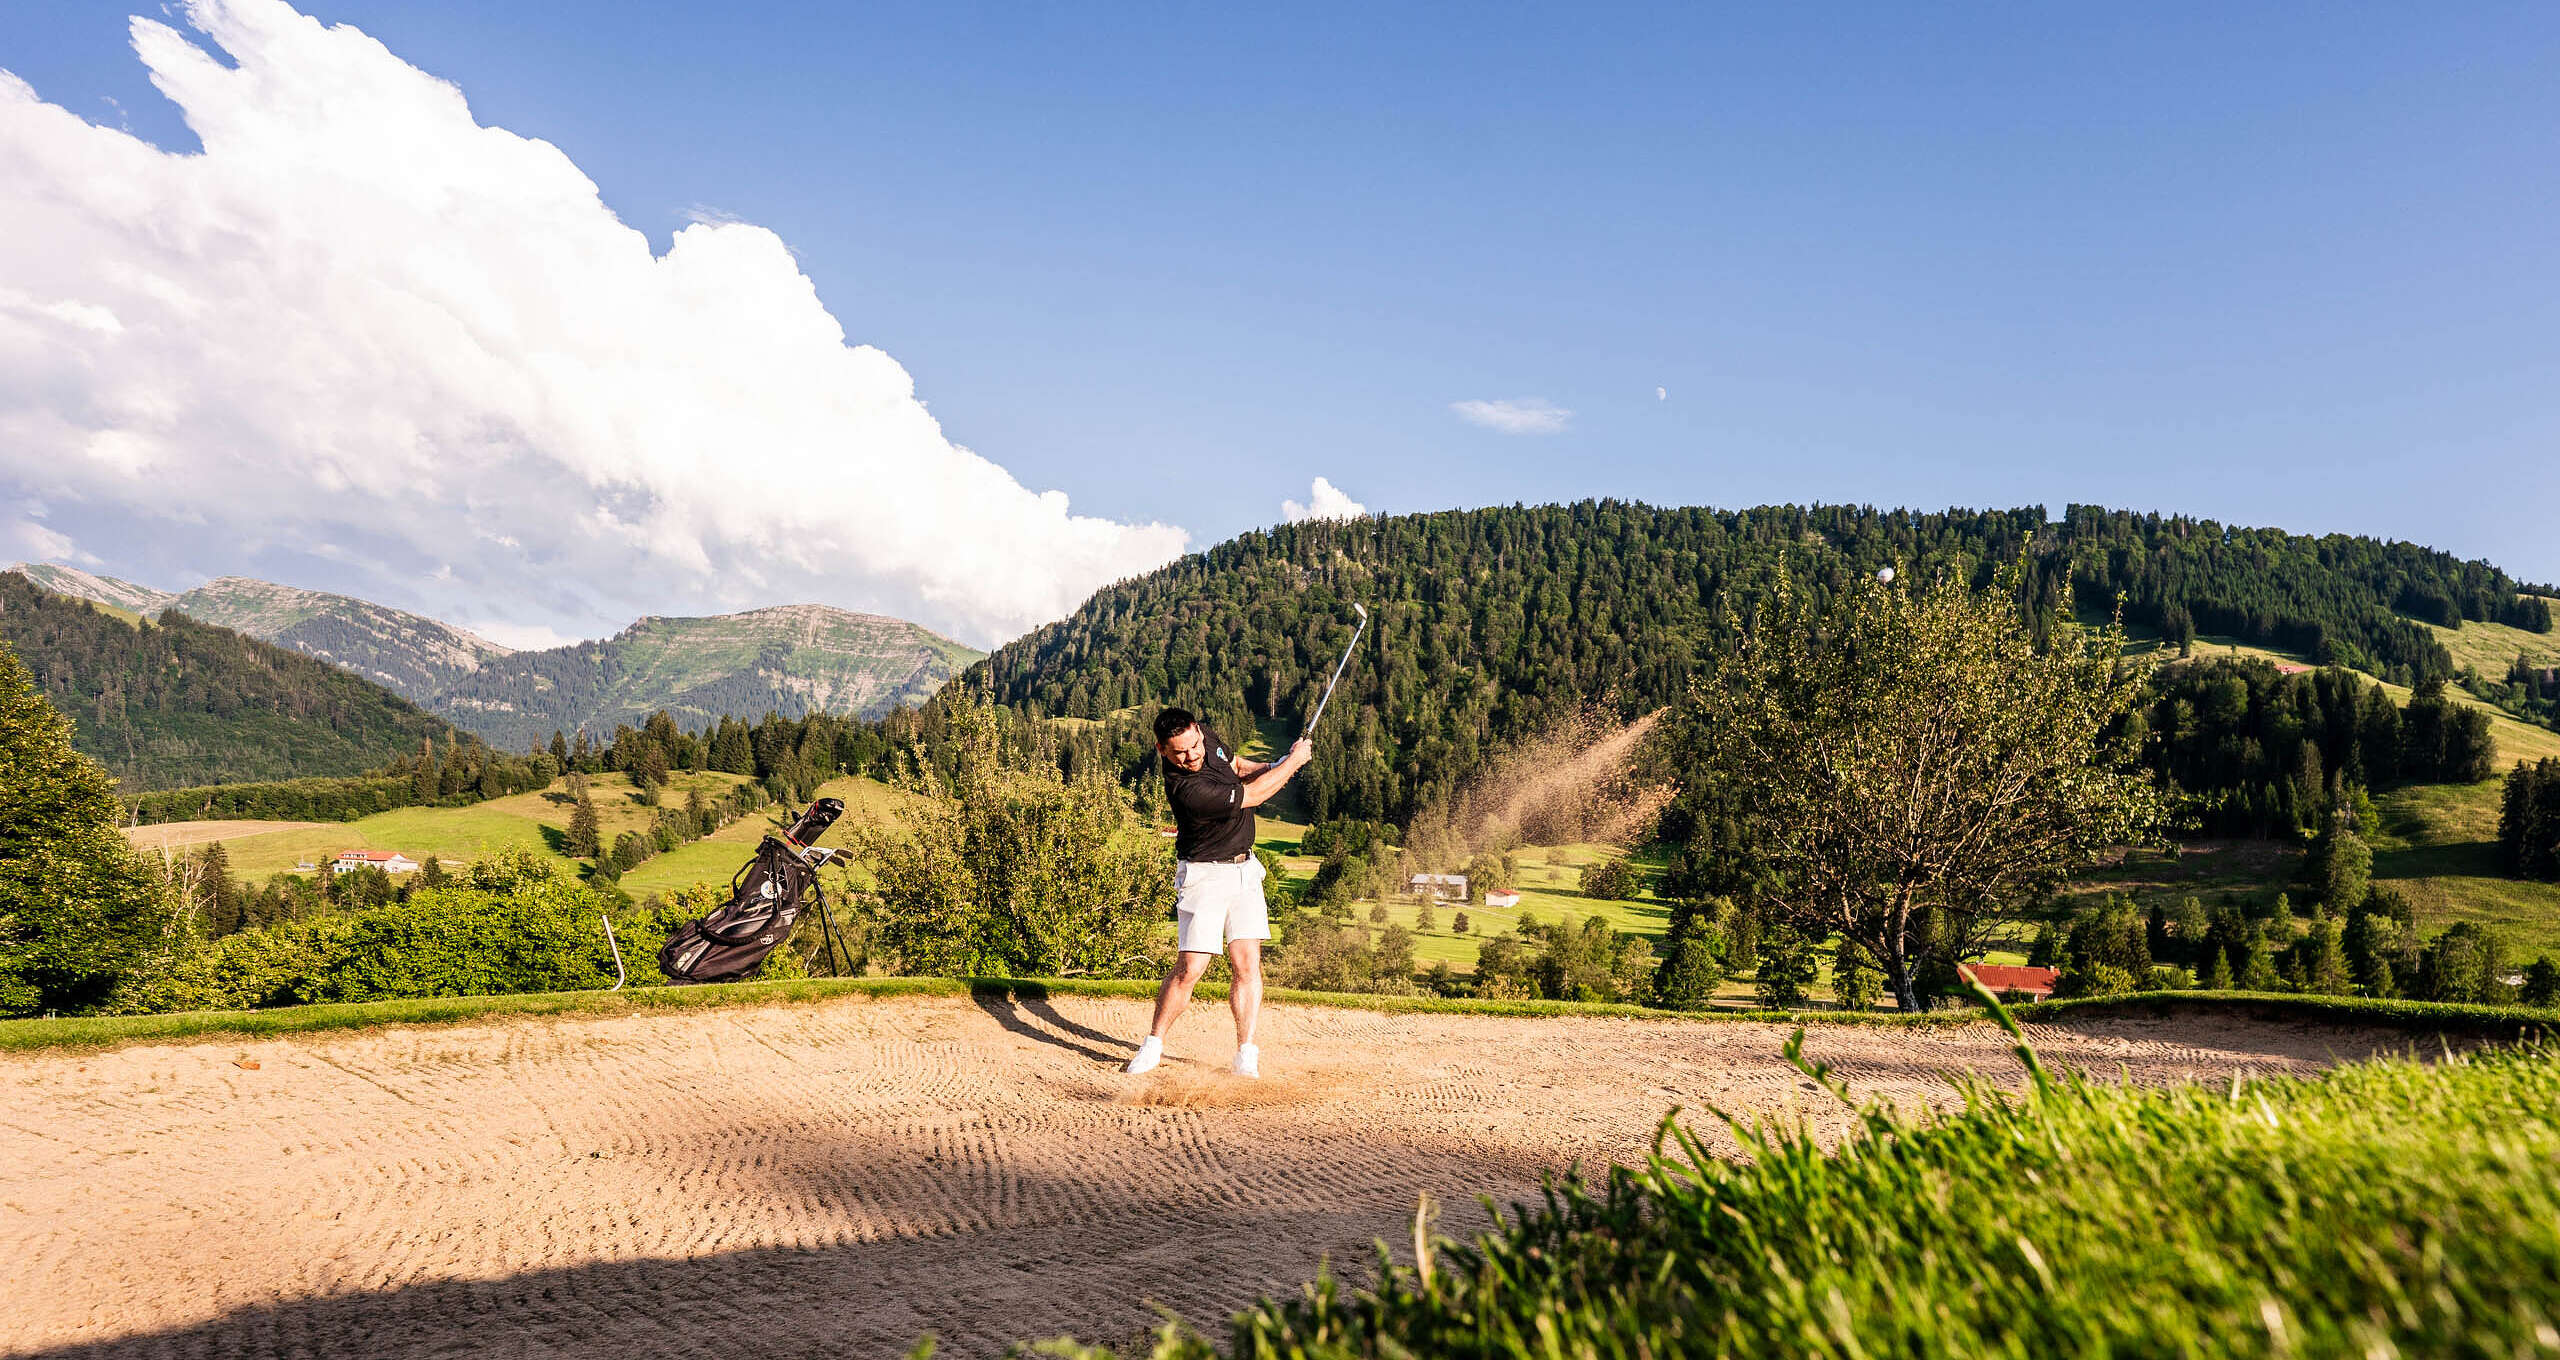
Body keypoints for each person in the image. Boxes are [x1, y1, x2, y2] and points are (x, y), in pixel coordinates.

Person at [1123, 707, 1311, 1079]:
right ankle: (1153, 1045)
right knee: (1192, 967)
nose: (1193, 755)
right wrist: (1295, 763)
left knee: (1246, 963)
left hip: (1245, 870)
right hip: (1204, 875)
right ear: (1162, 750)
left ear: (1197, 730)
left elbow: (1236, 766)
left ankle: (1246, 1054)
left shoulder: (1203, 737)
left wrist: (1277, 760)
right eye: (1180, 752)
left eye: (1195, 745)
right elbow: (1253, 796)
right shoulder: (1186, 789)